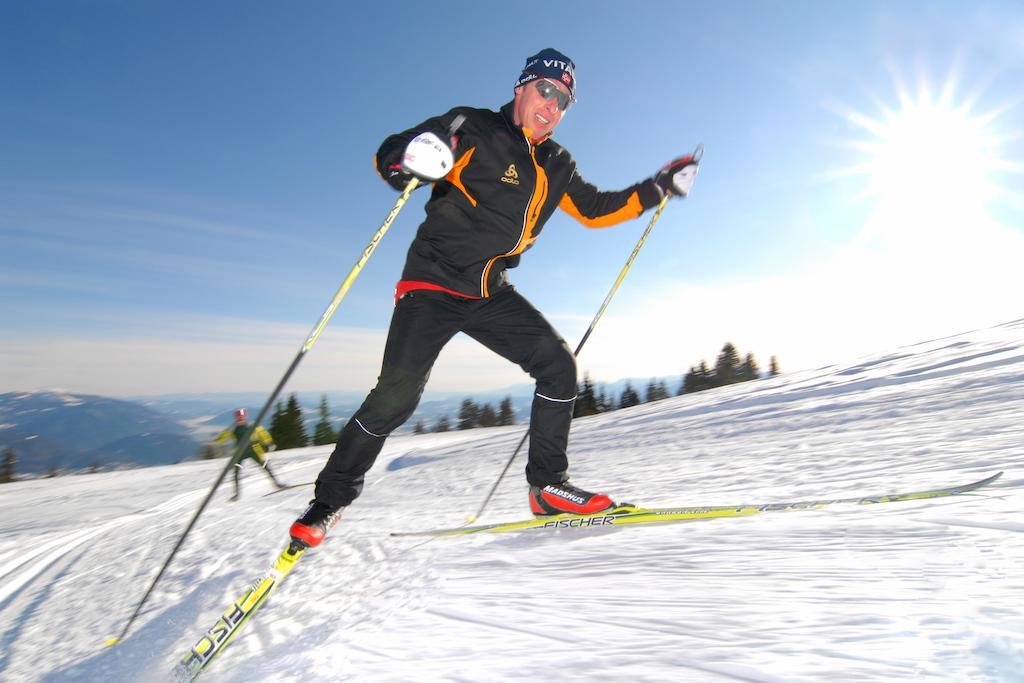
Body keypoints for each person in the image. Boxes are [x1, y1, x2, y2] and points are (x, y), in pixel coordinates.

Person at [290, 48, 699, 548]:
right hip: (432, 283)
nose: (552, 105)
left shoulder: (558, 163)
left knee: (558, 366)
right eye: (545, 91)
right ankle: (328, 503)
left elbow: (597, 210)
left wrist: (659, 188)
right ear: (521, 88)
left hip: (489, 290)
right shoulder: (474, 127)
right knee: (395, 398)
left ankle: (547, 486)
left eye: (563, 100)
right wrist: (412, 158)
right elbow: (393, 156)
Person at [215, 408, 286, 500]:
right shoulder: (232, 428)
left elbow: (263, 434)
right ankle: (236, 494)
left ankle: (277, 484)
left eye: (242, 417)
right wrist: (217, 441)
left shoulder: (253, 426)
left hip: (254, 450)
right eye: (239, 418)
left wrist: (269, 442)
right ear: (236, 418)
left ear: (245, 417)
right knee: (236, 472)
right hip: (240, 453)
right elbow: (223, 437)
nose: (241, 419)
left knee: (265, 466)